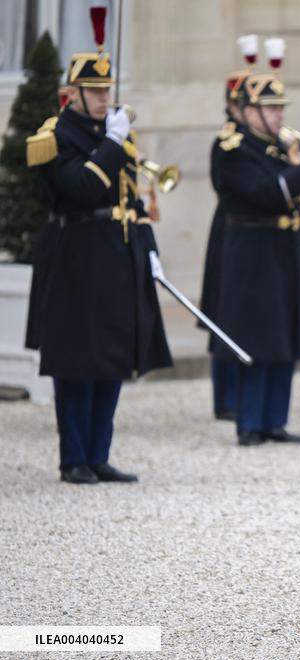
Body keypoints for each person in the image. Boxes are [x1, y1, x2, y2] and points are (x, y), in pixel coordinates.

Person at [24, 24, 172, 483]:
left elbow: (130, 199)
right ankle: (74, 458)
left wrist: (149, 249)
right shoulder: (55, 136)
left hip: (114, 255)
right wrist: (112, 143)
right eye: (95, 91)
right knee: (75, 360)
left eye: (108, 90)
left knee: (110, 357)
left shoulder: (112, 133)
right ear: (72, 94)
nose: (105, 99)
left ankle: (99, 453)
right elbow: (81, 189)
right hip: (74, 255)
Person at [214, 52, 300, 445]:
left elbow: (298, 209)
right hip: (252, 249)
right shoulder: (233, 148)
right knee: (256, 335)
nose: (279, 116)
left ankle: (274, 420)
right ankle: (250, 422)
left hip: (285, 247)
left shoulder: (280, 147)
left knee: (285, 336)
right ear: (249, 112)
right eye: (270, 108)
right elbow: (262, 194)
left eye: (281, 108)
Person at [200, 65, 251, 422]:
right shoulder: (227, 141)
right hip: (230, 227)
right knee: (226, 310)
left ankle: (247, 395)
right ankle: (226, 397)